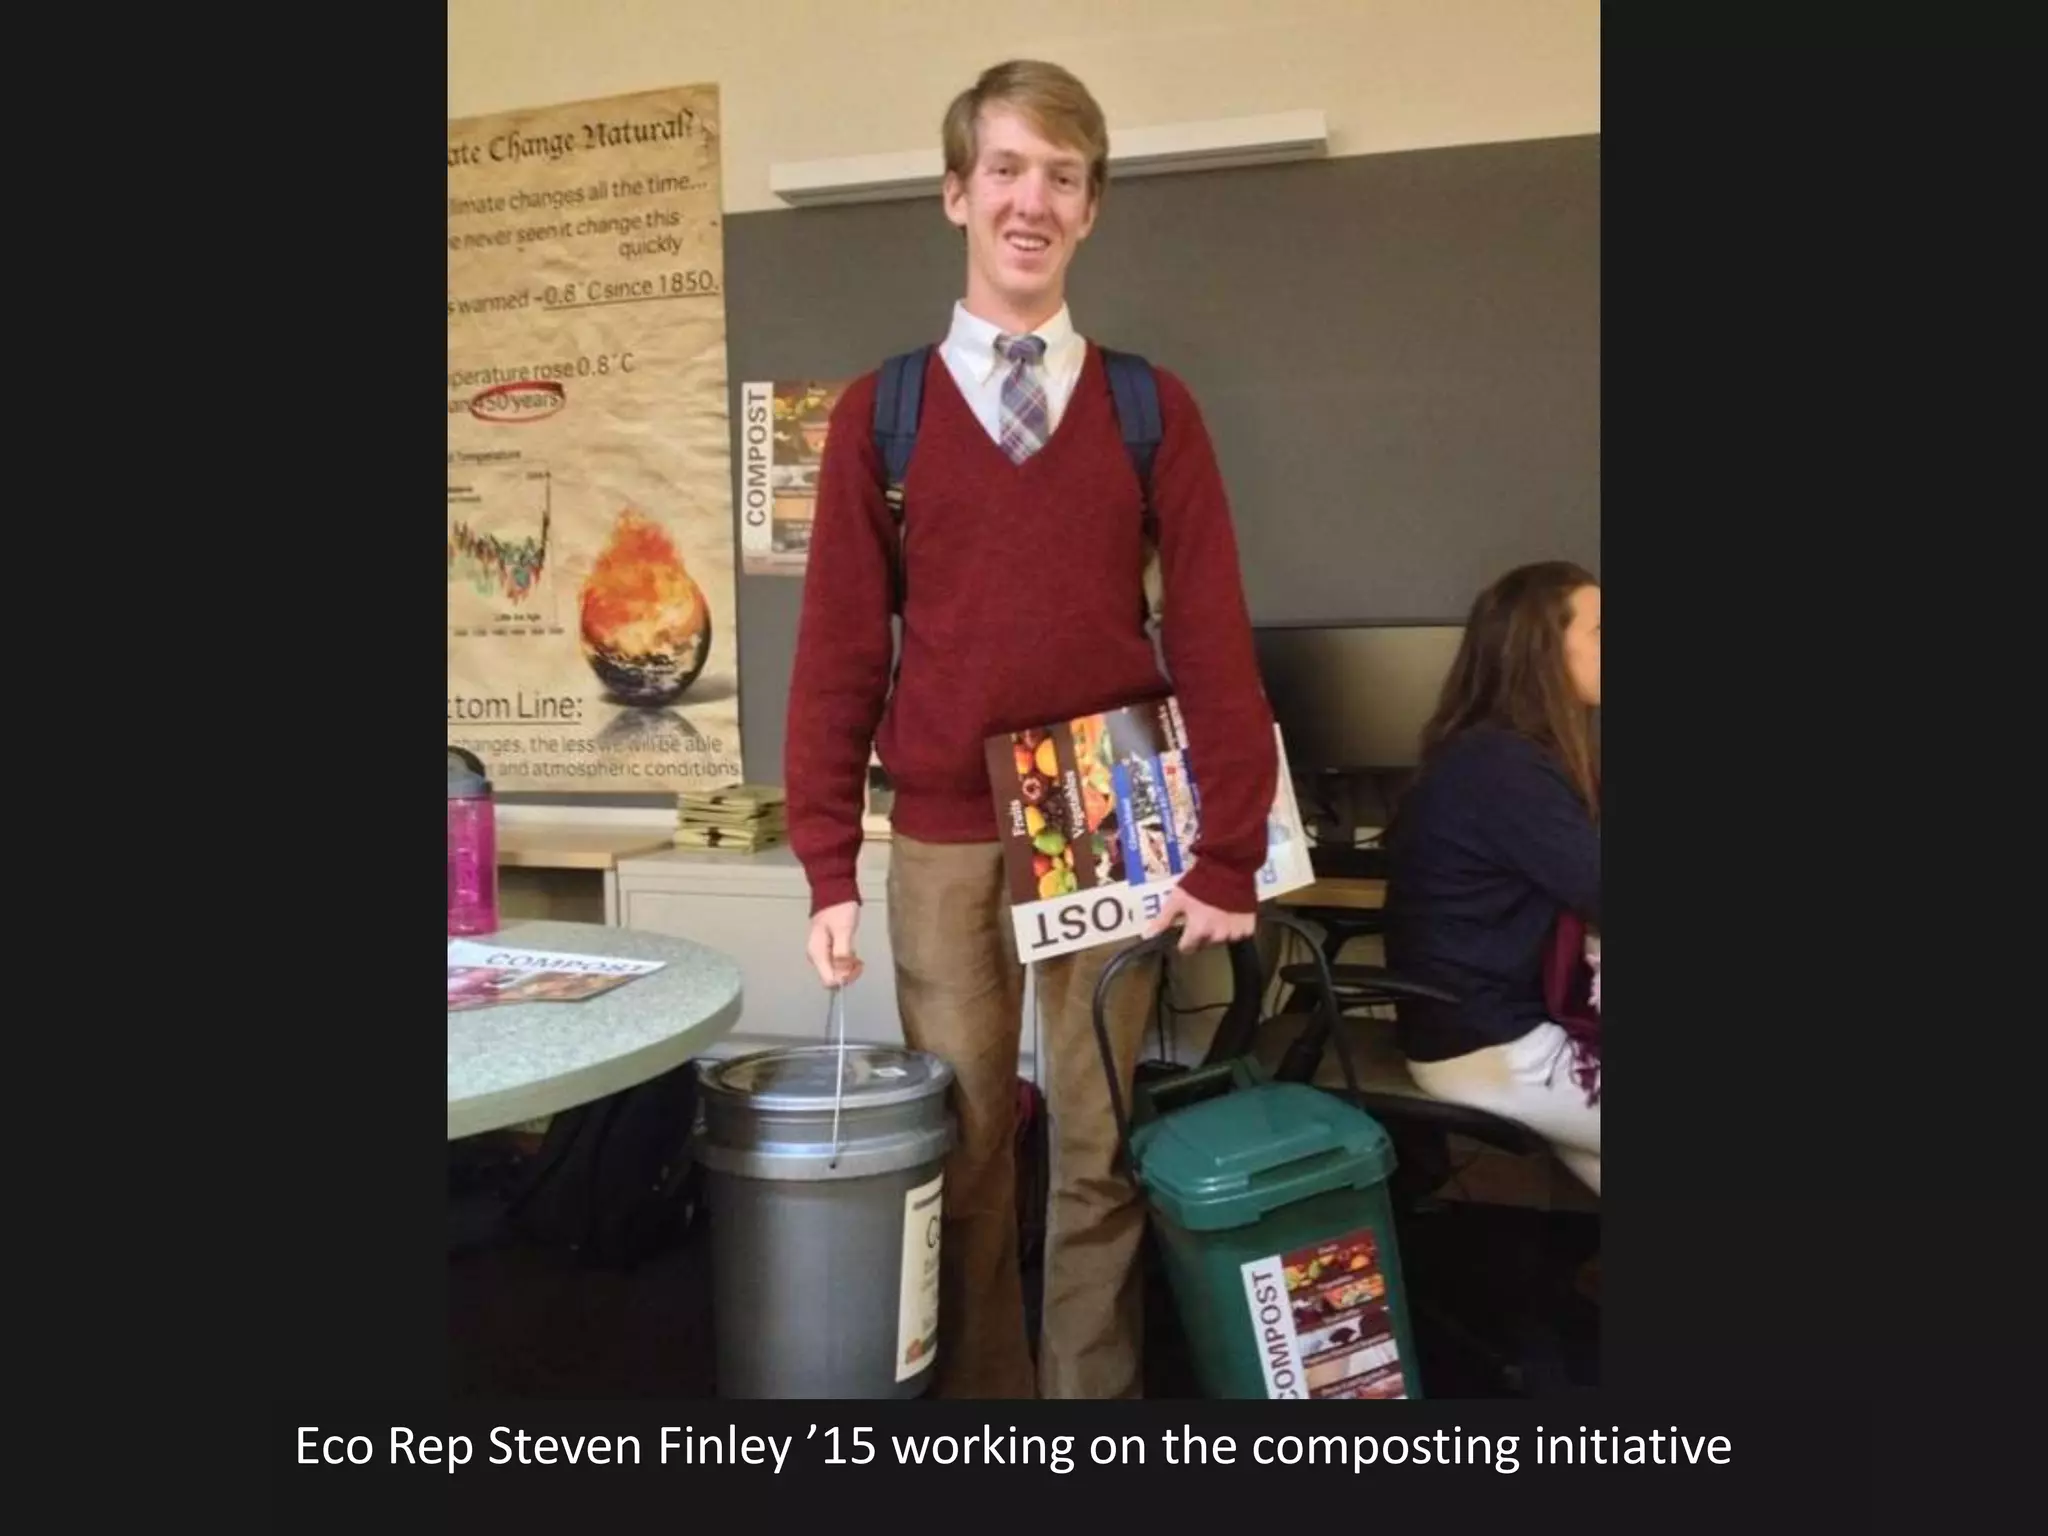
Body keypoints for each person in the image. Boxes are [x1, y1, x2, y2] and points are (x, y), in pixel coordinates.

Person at [783, 59, 1277, 1398]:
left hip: (1108, 813)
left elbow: (1214, 636)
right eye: (1005, 169)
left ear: (1091, 209)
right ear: (957, 193)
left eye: (1062, 176)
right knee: (967, 1145)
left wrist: (1227, 850)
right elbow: (836, 648)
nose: (1031, 199)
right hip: (944, 829)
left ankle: (1087, 1409)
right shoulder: (876, 416)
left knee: (1098, 1142)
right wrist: (828, 859)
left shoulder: (1147, 408)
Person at [1381, 561, 1602, 1194]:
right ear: (1542, 650)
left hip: (1487, 1033)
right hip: (1494, 1047)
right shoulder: (1503, 767)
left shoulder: (1495, 754)